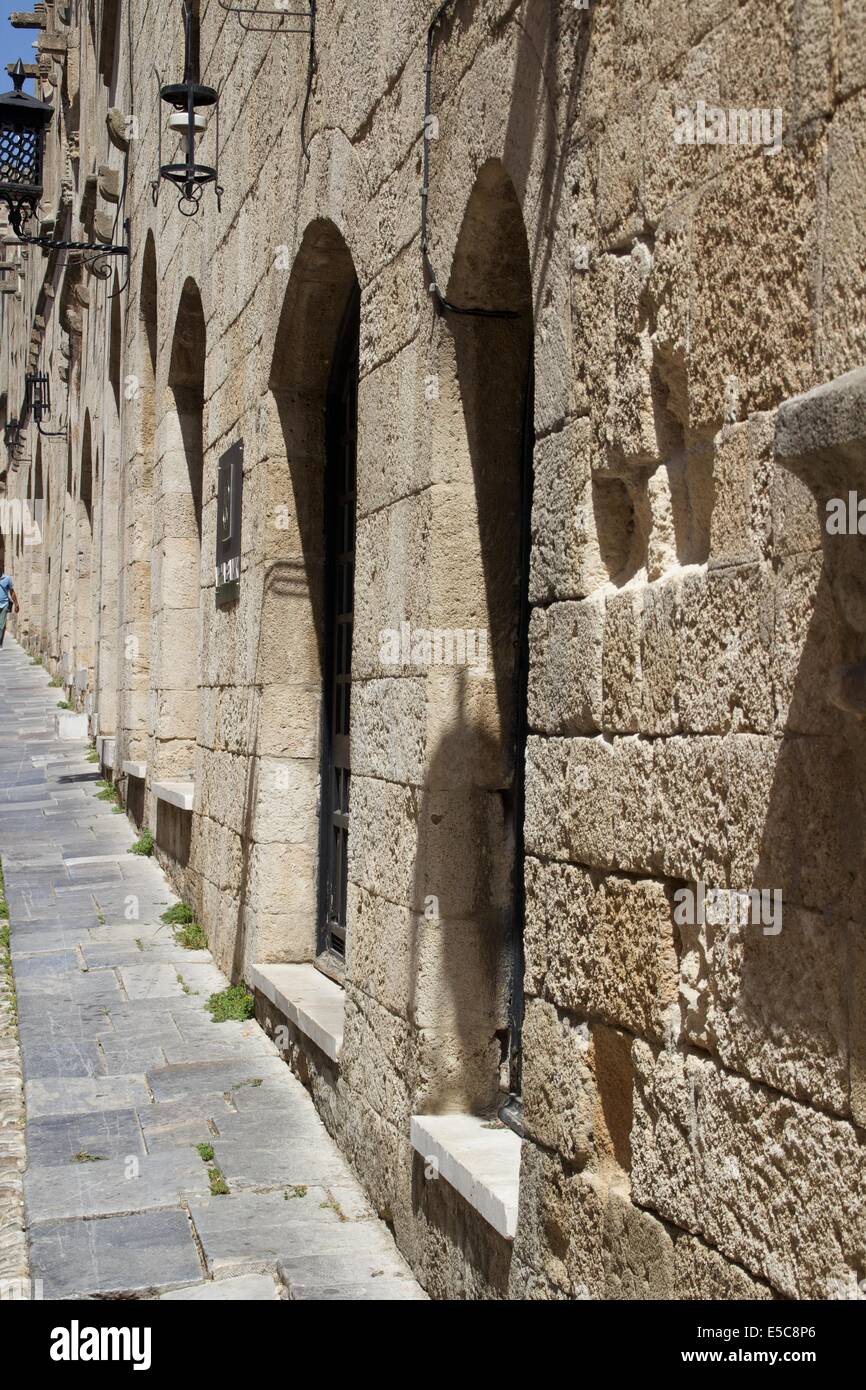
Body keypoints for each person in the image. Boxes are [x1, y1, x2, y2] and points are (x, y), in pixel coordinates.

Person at [0, 573, 20, 648]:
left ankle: (0, 642)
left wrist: (16, 604)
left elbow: (12, 592)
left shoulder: (7, 578)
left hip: (4, 604)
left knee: (1, 624)